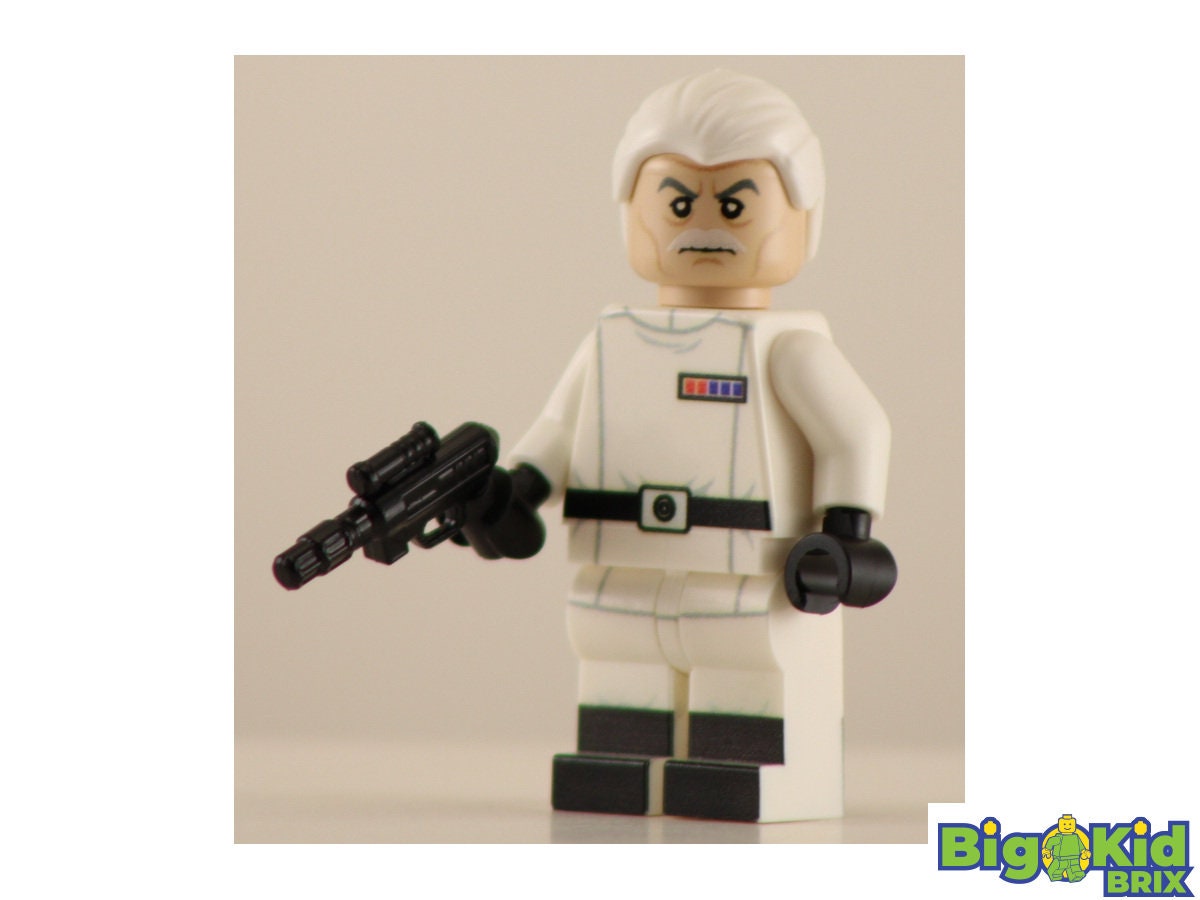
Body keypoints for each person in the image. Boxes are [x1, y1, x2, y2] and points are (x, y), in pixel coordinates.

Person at [485, 70, 896, 822]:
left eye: (736, 205)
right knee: (617, 656)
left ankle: (737, 769)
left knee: (740, 664)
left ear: (804, 218)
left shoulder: (788, 349)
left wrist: (846, 531)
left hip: (744, 565)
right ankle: (618, 765)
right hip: (620, 557)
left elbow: (856, 430)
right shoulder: (610, 341)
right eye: (677, 203)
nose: (703, 225)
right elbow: (559, 429)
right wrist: (516, 489)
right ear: (631, 212)